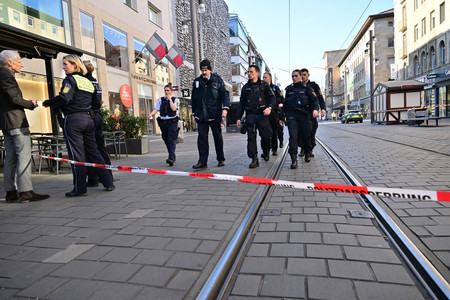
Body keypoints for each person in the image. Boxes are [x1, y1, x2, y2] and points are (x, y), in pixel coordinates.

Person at [43, 54, 114, 197]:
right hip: (89, 120)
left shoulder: (70, 80)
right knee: (94, 152)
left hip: (74, 120)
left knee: (77, 155)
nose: (63, 67)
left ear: (75, 65)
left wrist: (48, 102)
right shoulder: (87, 81)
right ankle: (108, 181)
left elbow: (65, 98)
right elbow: (96, 103)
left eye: (65, 64)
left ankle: (80, 189)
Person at [0, 50, 49, 203]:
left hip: (6, 124)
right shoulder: (6, 75)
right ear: (9, 62)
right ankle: (26, 192)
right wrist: (30, 104)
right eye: (19, 61)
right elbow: (14, 98)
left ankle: (11, 193)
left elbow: (9, 99)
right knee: (24, 157)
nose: (21, 64)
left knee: (10, 158)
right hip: (16, 123)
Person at [191, 59, 230, 169]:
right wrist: (194, 113)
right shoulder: (197, 82)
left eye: (205, 70)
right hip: (201, 116)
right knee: (202, 138)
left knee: (217, 137)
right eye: (202, 70)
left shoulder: (217, 80)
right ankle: (202, 161)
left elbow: (225, 95)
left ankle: (220, 158)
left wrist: (225, 108)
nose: (203, 72)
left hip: (214, 114)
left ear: (210, 70)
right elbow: (193, 98)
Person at [236, 65, 275, 168]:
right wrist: (238, 117)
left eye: (251, 72)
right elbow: (241, 104)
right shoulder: (245, 87)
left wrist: (269, 108)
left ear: (257, 73)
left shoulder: (264, 85)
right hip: (251, 115)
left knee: (266, 136)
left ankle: (266, 151)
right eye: (248, 72)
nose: (249, 74)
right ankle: (254, 158)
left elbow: (272, 98)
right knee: (251, 138)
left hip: (262, 114)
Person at [280, 69, 319, 169]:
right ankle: (293, 159)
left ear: (301, 76)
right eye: (292, 76)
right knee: (293, 137)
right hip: (292, 116)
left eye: (296, 76)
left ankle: (307, 152)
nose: (294, 78)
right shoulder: (289, 89)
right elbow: (285, 105)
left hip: (304, 115)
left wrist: (315, 109)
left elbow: (314, 100)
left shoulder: (307, 88)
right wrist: (282, 116)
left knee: (306, 136)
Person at [83, 61, 113, 187]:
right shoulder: (96, 82)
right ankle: (107, 175)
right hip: (98, 115)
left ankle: (95, 178)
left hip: (91, 116)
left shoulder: (85, 82)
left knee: (90, 148)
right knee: (100, 147)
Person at [148, 83, 179, 166]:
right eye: (165, 90)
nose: (166, 92)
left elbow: (174, 108)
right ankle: (172, 155)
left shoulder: (175, 99)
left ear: (171, 91)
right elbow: (156, 109)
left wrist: (170, 100)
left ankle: (171, 158)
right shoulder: (161, 100)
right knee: (165, 139)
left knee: (171, 139)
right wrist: (151, 114)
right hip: (163, 122)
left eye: (168, 90)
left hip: (172, 122)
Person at [299, 68, 326, 157]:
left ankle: (310, 149)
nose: (303, 76)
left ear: (308, 75)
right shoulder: (297, 86)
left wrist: (323, 108)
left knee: (312, 131)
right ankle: (303, 148)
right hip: (301, 112)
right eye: (301, 75)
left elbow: (320, 97)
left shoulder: (314, 85)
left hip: (311, 112)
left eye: (304, 74)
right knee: (302, 132)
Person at [263, 72, 284, 156]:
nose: (264, 79)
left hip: (274, 112)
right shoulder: (262, 88)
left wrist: (276, 102)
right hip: (264, 112)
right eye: (263, 77)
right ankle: (266, 150)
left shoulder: (275, 88)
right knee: (266, 132)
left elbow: (281, 98)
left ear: (270, 78)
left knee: (275, 131)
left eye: (265, 77)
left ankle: (274, 148)